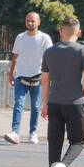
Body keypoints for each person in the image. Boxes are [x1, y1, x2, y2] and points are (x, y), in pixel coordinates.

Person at [42, 17, 84, 167]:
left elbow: (45, 81)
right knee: (78, 141)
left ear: (60, 32)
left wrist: (45, 103)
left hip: (54, 102)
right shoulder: (83, 51)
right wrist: (83, 96)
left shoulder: (49, 52)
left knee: (54, 142)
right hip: (75, 102)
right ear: (79, 33)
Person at [6, 12, 53, 145]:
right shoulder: (20, 37)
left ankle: (33, 133)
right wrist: (11, 73)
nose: (30, 23)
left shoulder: (45, 38)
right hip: (21, 76)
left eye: (32, 21)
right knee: (18, 104)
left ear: (39, 22)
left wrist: (48, 76)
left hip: (38, 77)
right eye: (27, 21)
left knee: (35, 106)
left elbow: (49, 58)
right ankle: (15, 132)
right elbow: (15, 57)